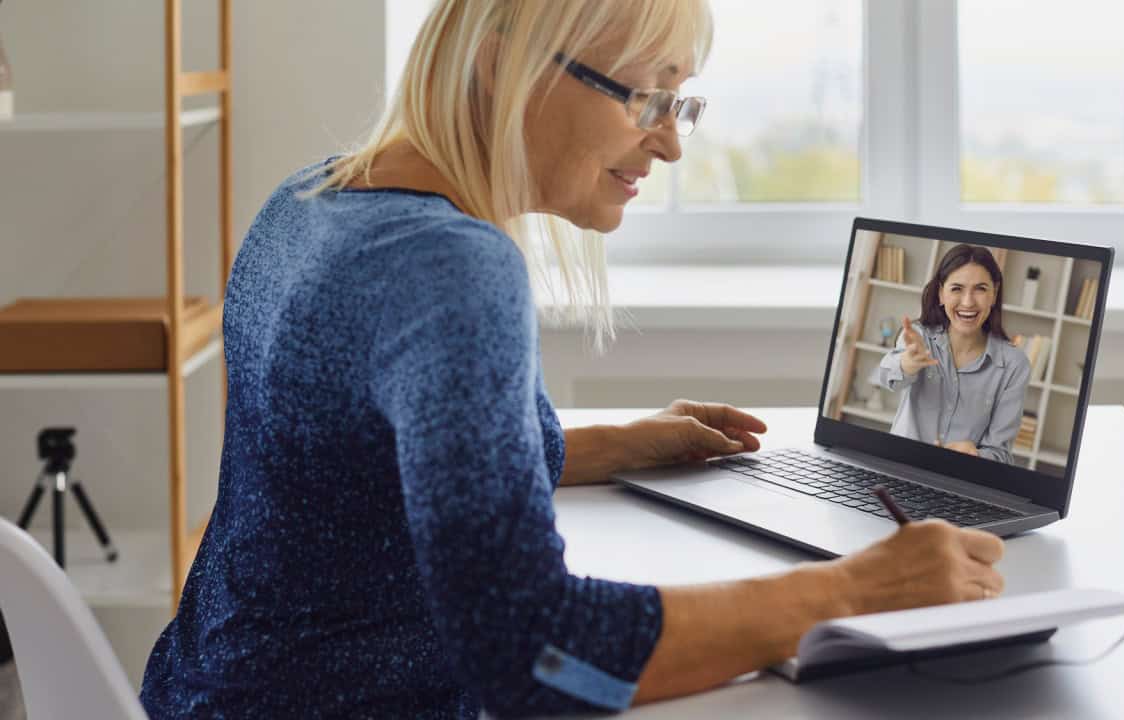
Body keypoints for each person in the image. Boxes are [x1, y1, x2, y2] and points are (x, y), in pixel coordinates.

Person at [139, 2, 1006, 717]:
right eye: (645, 97)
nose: (669, 145)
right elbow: (535, 658)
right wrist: (855, 593)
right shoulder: (449, 269)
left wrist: (613, 445)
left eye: (682, 103)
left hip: (209, 690)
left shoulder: (316, 197)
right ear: (495, 61)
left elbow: (365, 471)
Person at [877, 244, 1031, 464]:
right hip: (901, 469)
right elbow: (886, 377)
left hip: (962, 481)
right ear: (941, 293)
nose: (968, 302)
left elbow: (1001, 455)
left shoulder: (1015, 365)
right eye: (956, 289)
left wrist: (976, 456)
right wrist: (907, 363)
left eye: (980, 289)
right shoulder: (919, 338)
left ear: (994, 294)